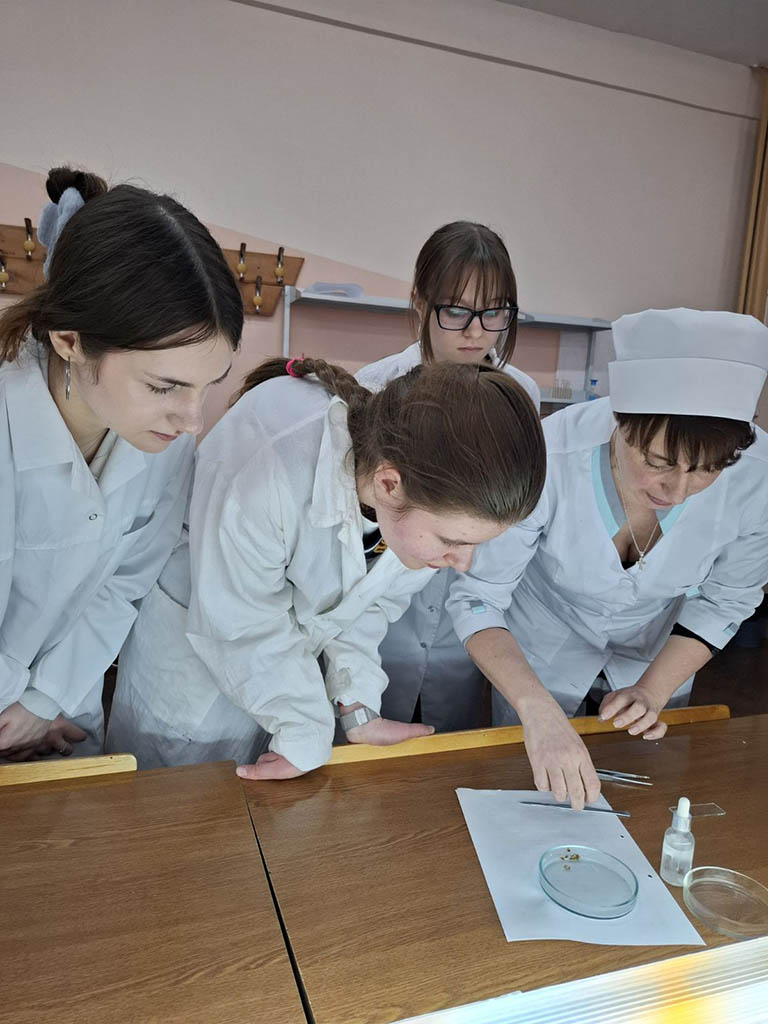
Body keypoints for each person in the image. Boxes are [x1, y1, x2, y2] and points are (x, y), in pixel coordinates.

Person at [106, 358, 546, 777]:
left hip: (276, 673)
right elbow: (241, 624)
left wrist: (358, 705)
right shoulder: (272, 467)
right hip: (193, 679)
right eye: (452, 541)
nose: (463, 563)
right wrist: (305, 730)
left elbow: (366, 603)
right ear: (389, 483)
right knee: (171, 808)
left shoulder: (411, 490)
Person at [447, 307, 768, 809]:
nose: (677, 490)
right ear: (621, 421)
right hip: (541, 647)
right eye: (657, 462)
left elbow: (726, 601)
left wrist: (653, 690)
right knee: (529, 788)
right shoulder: (550, 455)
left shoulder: (757, 477)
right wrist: (535, 708)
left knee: (646, 797)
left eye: (705, 470)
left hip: (659, 650)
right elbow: (478, 597)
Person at [0, 166, 242, 760]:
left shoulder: (164, 438)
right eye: (164, 386)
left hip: (62, 710)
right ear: (70, 341)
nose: (193, 420)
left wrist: (43, 701)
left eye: (207, 385)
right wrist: (13, 711)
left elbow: (127, 581)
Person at [355, 221, 540, 731]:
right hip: (379, 620)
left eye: (494, 312)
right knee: (365, 743)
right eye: (456, 311)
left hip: (468, 618)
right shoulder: (374, 389)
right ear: (420, 302)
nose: (476, 332)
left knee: (449, 750)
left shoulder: (520, 396)